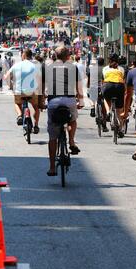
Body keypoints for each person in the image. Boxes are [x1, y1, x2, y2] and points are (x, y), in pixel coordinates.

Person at [46, 46, 84, 176]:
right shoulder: (74, 68)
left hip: (53, 102)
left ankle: (52, 167)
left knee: (52, 137)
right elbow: (79, 87)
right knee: (73, 120)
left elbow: (41, 87)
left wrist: (40, 102)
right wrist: (81, 101)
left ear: (55, 56)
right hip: (69, 101)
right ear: (68, 56)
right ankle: (71, 141)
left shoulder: (48, 68)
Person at [4, 49, 41, 133]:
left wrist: (11, 86)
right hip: (32, 92)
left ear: (23, 55)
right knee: (36, 107)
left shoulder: (17, 65)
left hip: (19, 91)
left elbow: (6, 77)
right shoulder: (35, 66)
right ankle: (36, 125)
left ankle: (20, 115)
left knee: (17, 103)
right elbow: (39, 79)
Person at [102, 53, 126, 138]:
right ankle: (120, 128)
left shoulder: (105, 69)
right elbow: (123, 79)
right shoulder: (121, 69)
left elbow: (104, 79)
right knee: (119, 111)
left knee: (105, 98)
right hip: (119, 87)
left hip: (108, 86)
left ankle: (108, 112)